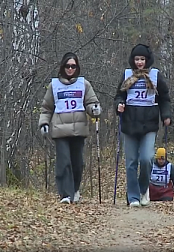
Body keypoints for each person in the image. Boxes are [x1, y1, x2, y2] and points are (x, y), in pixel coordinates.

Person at [114, 44, 172, 207]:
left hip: (149, 123)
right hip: (130, 123)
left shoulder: (155, 75)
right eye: (137, 59)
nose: (139, 62)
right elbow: (119, 95)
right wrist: (119, 105)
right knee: (131, 162)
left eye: (142, 59)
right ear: (133, 60)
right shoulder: (127, 74)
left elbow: (164, 98)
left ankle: (143, 188)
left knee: (146, 159)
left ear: (147, 60)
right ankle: (133, 197)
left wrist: (166, 115)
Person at [39, 52, 101, 204]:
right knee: (64, 161)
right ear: (62, 67)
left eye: (73, 66)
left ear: (77, 67)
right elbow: (46, 108)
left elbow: (91, 102)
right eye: (67, 66)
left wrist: (94, 109)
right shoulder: (54, 85)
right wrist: (44, 123)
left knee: (77, 163)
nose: (70, 69)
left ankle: (74, 189)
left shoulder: (83, 84)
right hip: (60, 129)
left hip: (79, 130)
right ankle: (65, 194)